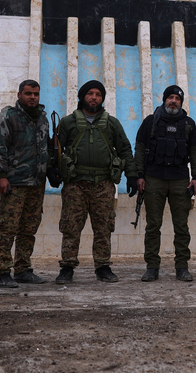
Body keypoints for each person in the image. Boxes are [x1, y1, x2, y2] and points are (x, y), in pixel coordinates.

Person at [54, 80, 136, 284]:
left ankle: (103, 266)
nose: (94, 97)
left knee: (104, 227)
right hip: (75, 184)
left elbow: (125, 149)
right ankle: (67, 267)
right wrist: (53, 172)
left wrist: (132, 174)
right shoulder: (68, 122)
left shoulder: (112, 123)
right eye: (90, 93)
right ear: (82, 97)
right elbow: (54, 150)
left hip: (103, 184)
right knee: (71, 227)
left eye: (98, 94)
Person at [134, 85, 196, 282]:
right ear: (164, 100)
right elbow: (139, 149)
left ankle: (182, 266)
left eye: (177, 98)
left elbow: (195, 152)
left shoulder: (188, 124)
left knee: (181, 226)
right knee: (153, 225)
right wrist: (139, 175)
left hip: (180, 179)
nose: (173, 101)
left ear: (181, 102)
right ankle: (152, 267)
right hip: (154, 178)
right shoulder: (150, 122)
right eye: (170, 97)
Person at [0, 79, 50, 288]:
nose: (32, 97)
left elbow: (44, 148)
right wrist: (1, 175)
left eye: (36, 94)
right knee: (7, 228)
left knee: (29, 228)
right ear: (19, 95)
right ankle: (3, 272)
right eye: (28, 94)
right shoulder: (8, 117)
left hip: (36, 183)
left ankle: (23, 269)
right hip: (14, 183)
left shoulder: (42, 118)